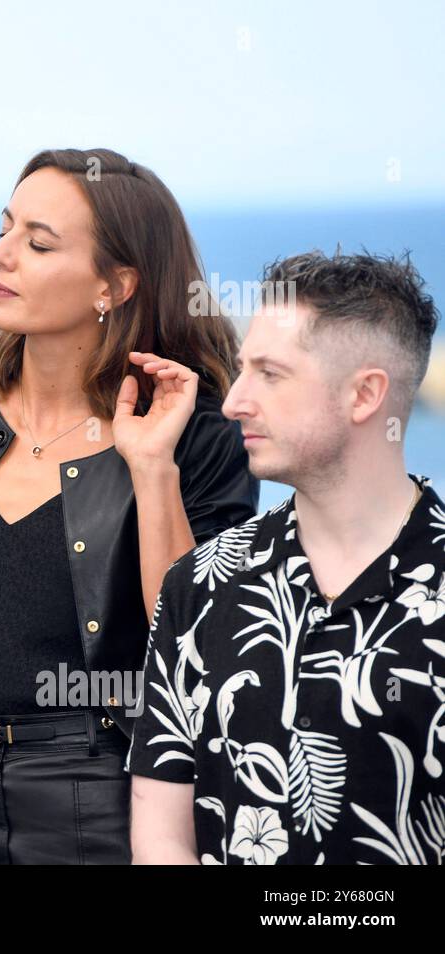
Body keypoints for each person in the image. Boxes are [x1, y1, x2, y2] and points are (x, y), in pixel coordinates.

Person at [0, 148, 258, 864]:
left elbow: (194, 647)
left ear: (115, 285)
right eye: (4, 229)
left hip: (99, 795)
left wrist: (150, 467)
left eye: (37, 243)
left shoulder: (197, 435)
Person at [129, 250, 445, 865]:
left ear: (365, 395)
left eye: (270, 374)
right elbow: (161, 835)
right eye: (242, 370)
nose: (234, 402)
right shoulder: (199, 584)